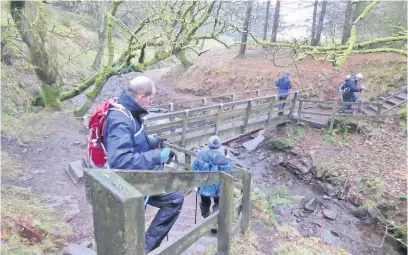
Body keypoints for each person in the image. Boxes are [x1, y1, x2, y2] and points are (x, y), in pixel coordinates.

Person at [103, 76, 184, 253]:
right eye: (151, 99)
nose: (151, 102)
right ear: (141, 97)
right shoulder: (121, 119)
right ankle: (144, 248)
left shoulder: (126, 109)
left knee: (172, 198)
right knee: (174, 198)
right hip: (126, 181)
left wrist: (152, 141)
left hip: (132, 177)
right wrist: (157, 156)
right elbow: (120, 161)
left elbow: (134, 136)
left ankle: (139, 246)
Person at [192, 136, 232, 233]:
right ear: (219, 145)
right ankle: (215, 222)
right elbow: (228, 173)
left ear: (208, 144)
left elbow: (194, 169)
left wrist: (195, 184)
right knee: (218, 203)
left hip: (204, 185)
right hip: (218, 187)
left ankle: (208, 220)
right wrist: (227, 160)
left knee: (205, 203)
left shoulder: (201, 155)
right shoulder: (224, 158)